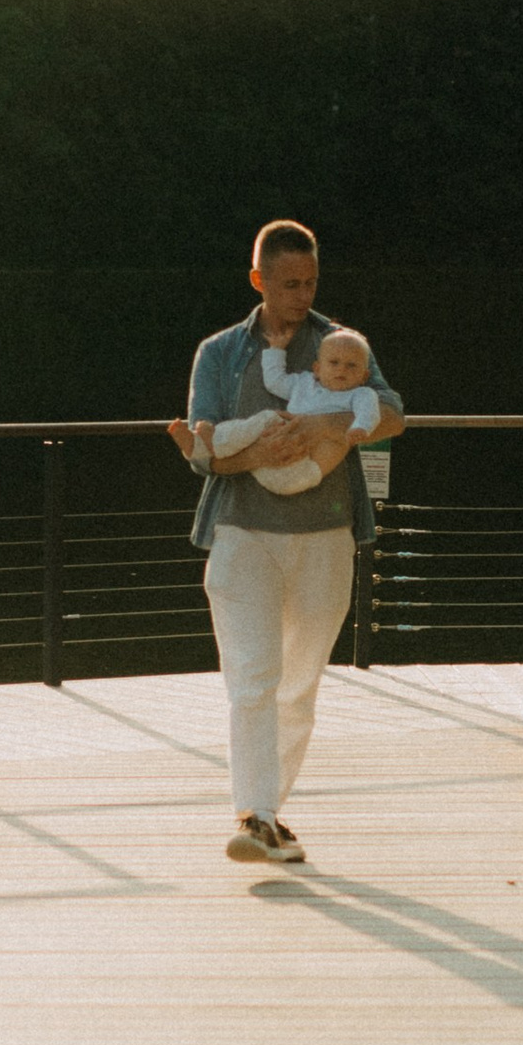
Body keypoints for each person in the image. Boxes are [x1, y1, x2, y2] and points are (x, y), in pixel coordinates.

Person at [166, 222, 403, 866]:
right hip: (242, 533)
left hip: (325, 536)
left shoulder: (340, 344)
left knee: (298, 686)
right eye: (288, 284)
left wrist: (322, 424)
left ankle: (271, 813)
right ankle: (255, 813)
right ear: (258, 281)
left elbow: (392, 412)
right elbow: (204, 453)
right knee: (252, 679)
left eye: (311, 282)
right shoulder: (220, 353)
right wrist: (257, 456)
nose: (302, 295)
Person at [200, 327, 383, 495]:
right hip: (280, 446)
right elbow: (275, 381)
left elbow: (369, 412)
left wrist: (360, 428)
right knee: (268, 417)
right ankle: (216, 441)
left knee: (329, 445)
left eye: (352, 365)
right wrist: (276, 349)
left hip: (307, 464)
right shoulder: (303, 383)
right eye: (334, 362)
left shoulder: (361, 394)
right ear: (317, 369)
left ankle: (227, 449)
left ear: (364, 376)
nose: (342, 369)